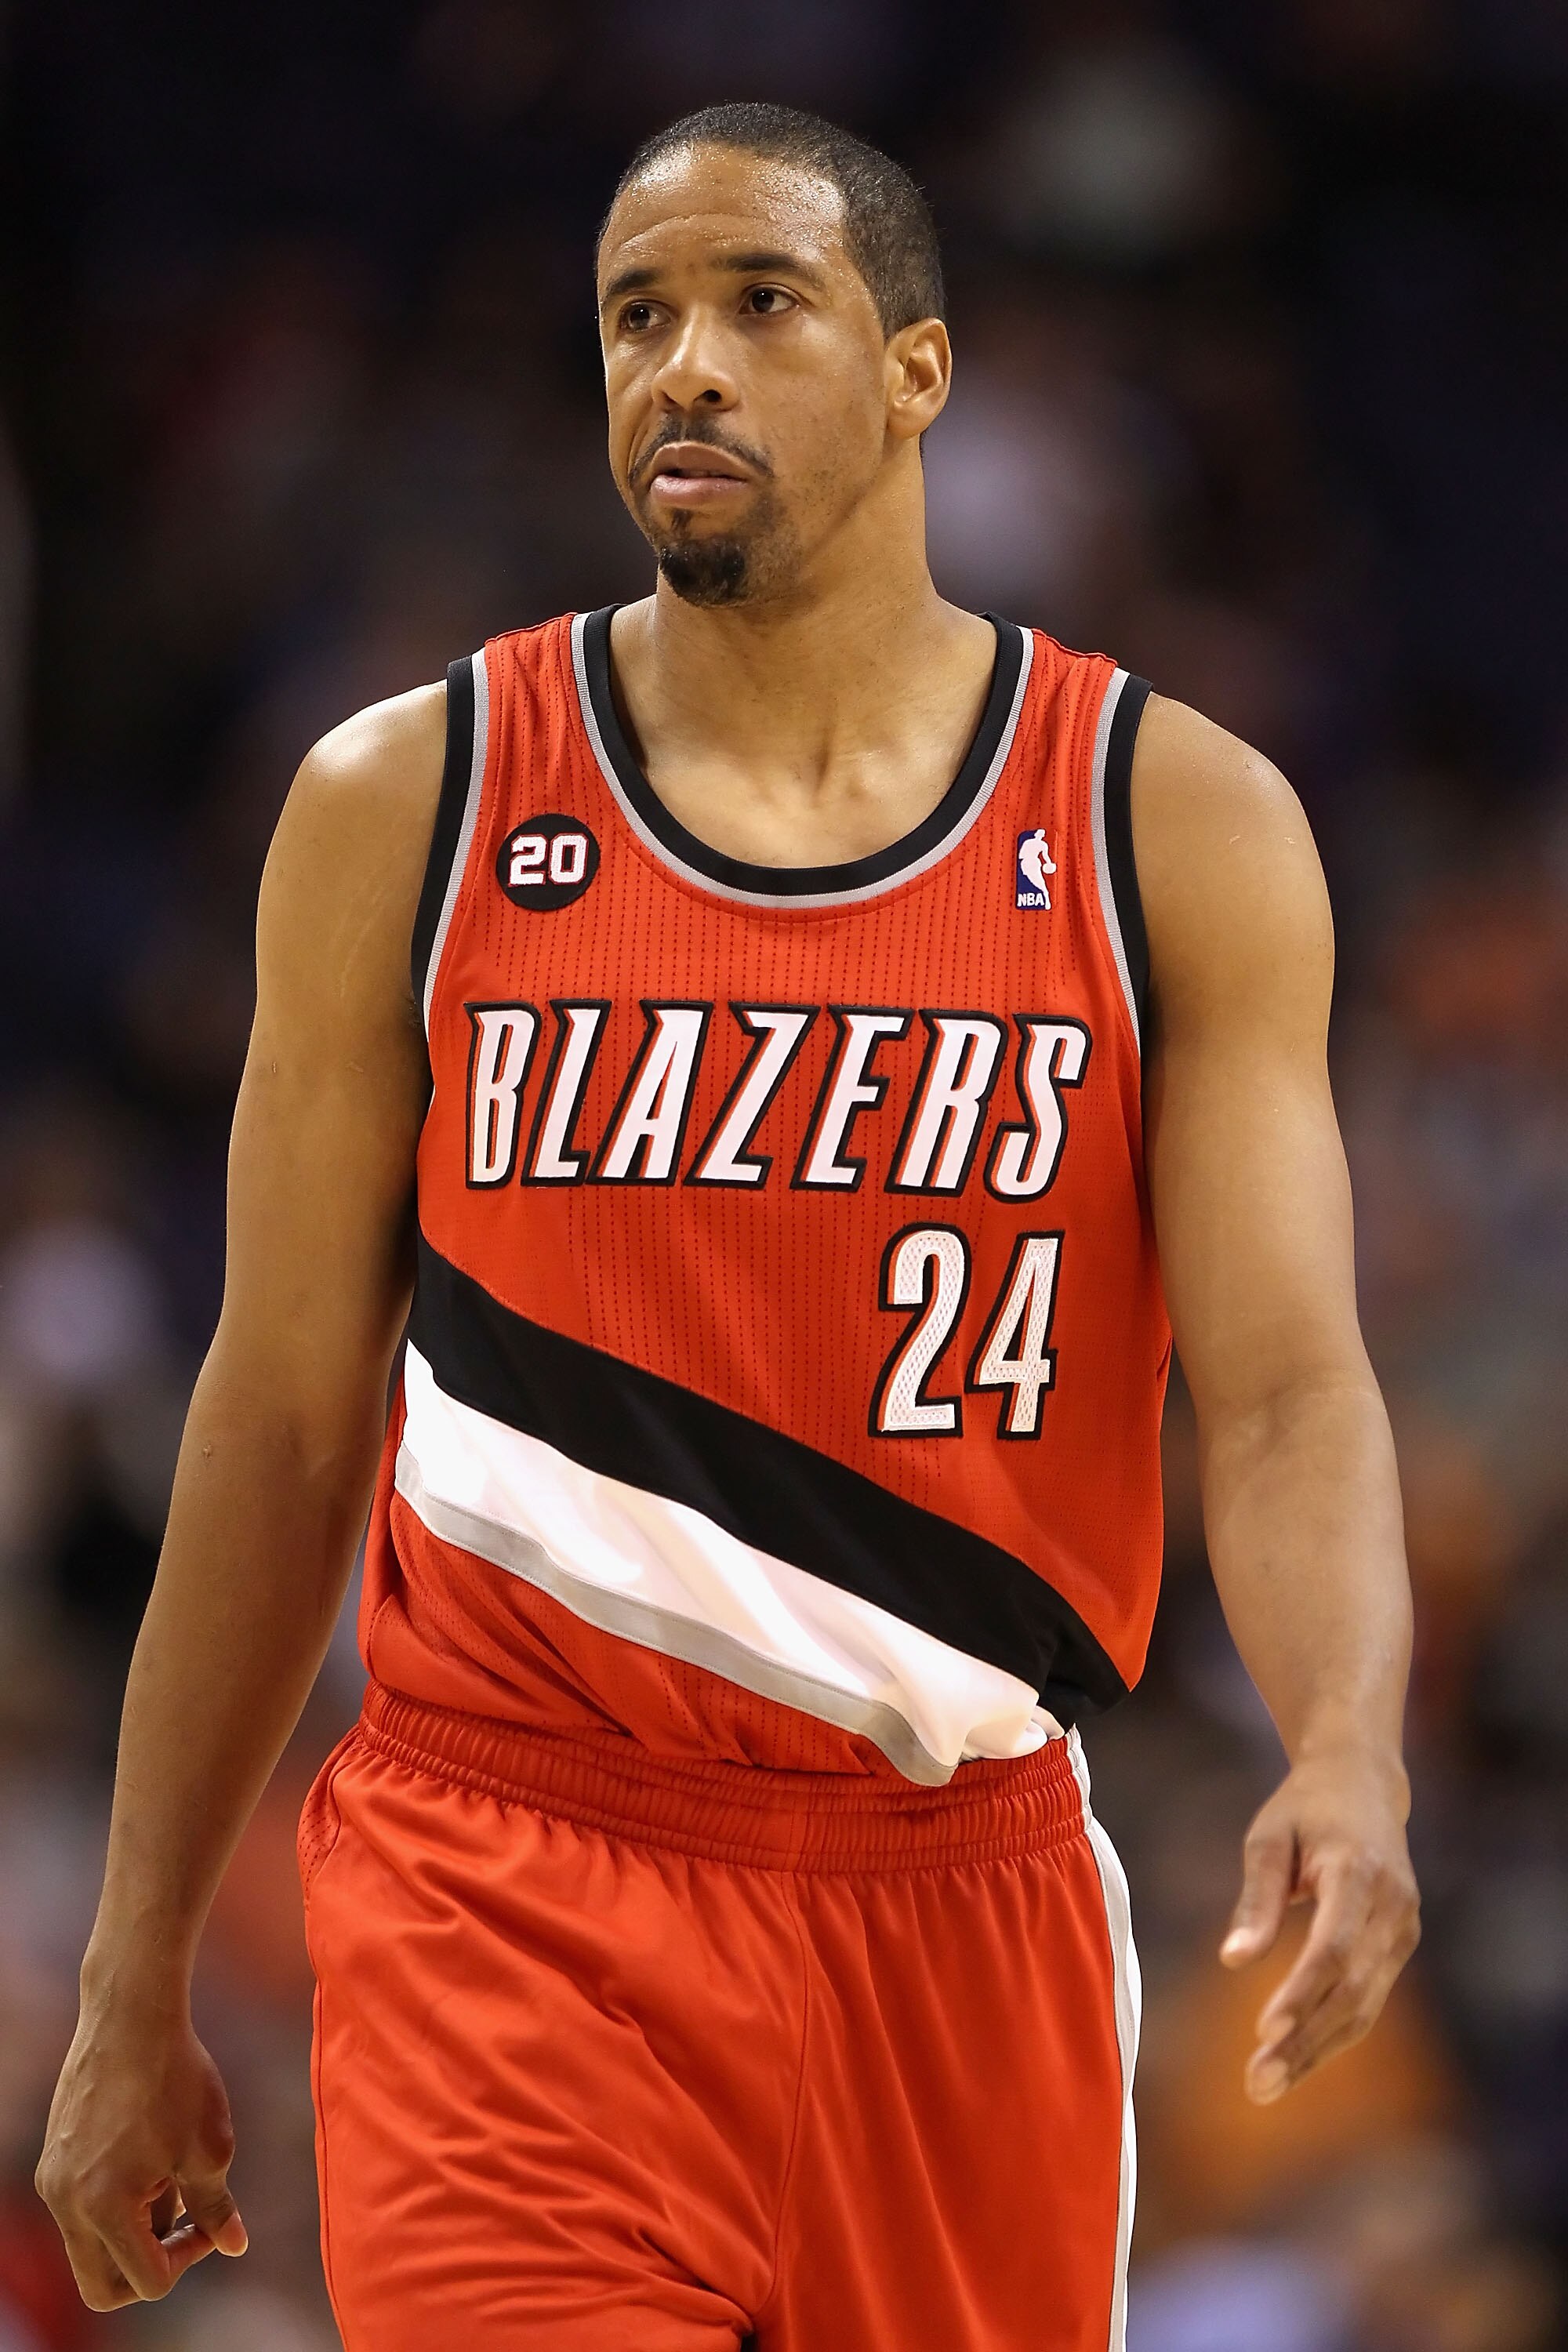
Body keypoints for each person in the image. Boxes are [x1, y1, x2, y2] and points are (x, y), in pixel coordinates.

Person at [36, 103, 1419, 2352]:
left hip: (960, 1906)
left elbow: (1282, 1396)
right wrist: (133, 1976)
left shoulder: (1172, 820)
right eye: (635, 317)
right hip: (512, 1886)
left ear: (918, 372)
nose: (681, 362)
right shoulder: (416, 799)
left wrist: (1348, 1745)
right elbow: (280, 1423)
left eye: (758, 303)